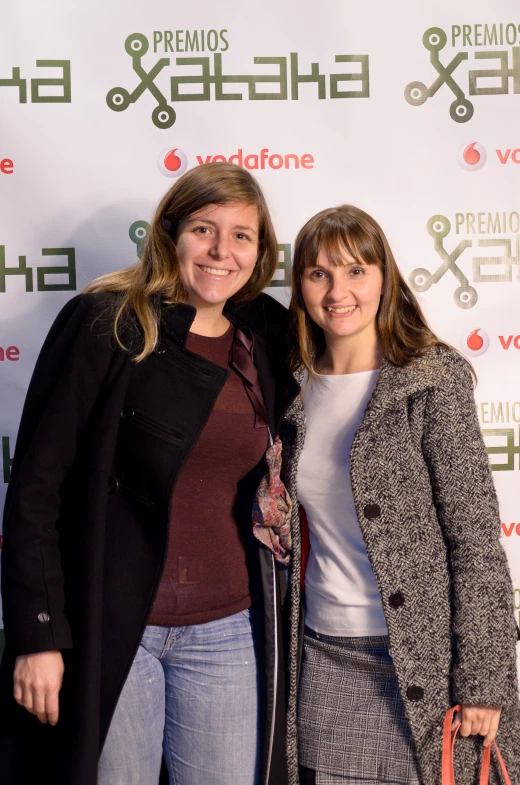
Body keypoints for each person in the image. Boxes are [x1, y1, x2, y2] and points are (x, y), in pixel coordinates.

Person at [0, 162, 300, 785]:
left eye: (242, 235)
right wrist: (37, 635)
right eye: (203, 229)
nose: (222, 251)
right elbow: (35, 489)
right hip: (114, 629)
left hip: (227, 629)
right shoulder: (106, 324)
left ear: (262, 250)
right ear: (169, 235)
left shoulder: (266, 336)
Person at [280, 205, 520, 785]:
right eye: (319, 274)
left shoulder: (431, 378)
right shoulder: (288, 385)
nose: (338, 291)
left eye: (356, 271)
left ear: (385, 278)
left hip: (423, 661)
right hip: (322, 657)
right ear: (300, 286)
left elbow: (475, 537)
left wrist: (485, 680)